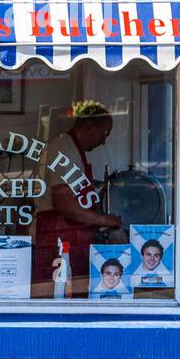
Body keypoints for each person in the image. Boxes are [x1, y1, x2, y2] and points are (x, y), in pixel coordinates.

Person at [32, 102, 122, 295]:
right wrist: (103, 220)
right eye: (104, 133)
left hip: (71, 236)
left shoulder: (72, 149)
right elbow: (64, 203)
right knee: (57, 293)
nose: (104, 142)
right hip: (55, 235)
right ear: (89, 127)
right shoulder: (62, 149)